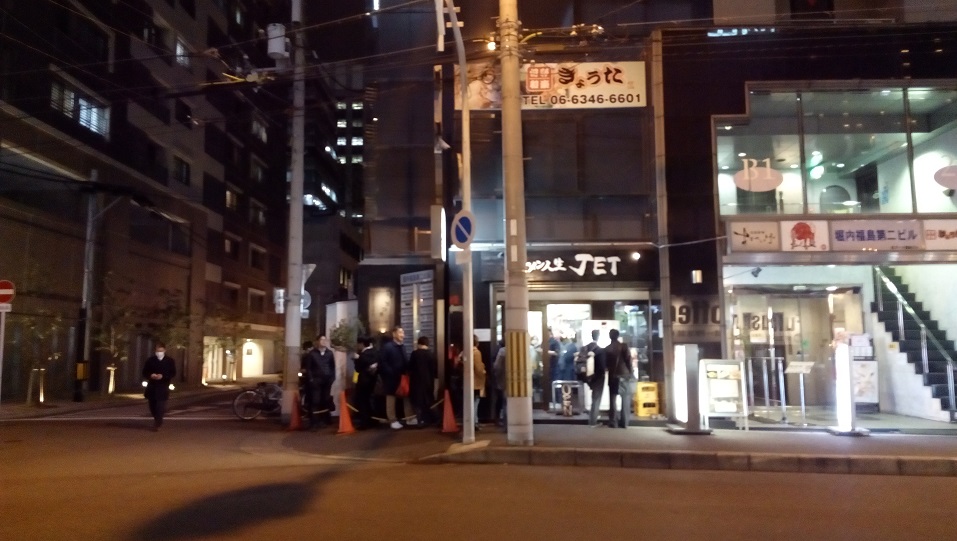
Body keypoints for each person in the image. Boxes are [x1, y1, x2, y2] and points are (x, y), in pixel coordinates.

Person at [380, 326, 415, 429]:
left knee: (406, 396)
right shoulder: (387, 347)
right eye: (400, 333)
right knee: (391, 398)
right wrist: (390, 372)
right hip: (391, 378)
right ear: (394, 334)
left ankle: (409, 418)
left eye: (403, 333)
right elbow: (383, 362)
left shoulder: (402, 346)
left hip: (403, 377)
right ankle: (392, 420)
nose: (402, 335)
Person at [604, 329, 635, 429]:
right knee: (625, 399)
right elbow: (628, 360)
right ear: (618, 336)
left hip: (612, 376)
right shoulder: (624, 346)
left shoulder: (607, 349)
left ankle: (613, 422)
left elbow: (606, 365)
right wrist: (631, 373)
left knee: (613, 399)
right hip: (624, 375)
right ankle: (624, 422)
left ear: (610, 336)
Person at [142, 342, 176, 431]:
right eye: (157, 351)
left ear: (164, 350)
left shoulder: (169, 361)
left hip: (163, 386)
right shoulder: (150, 360)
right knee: (152, 406)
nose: (159, 352)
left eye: (161, 351)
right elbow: (145, 372)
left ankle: (157, 422)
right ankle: (156, 419)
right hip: (152, 386)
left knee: (160, 406)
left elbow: (173, 373)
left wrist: (163, 376)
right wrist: (151, 375)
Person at [304, 335, 335, 429]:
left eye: (325, 339)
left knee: (326, 399)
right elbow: (308, 368)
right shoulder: (312, 354)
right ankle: (314, 422)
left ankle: (325, 420)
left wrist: (332, 378)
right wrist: (311, 379)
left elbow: (332, 367)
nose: (324, 341)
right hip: (316, 380)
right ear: (317, 341)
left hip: (327, 380)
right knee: (315, 400)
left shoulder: (330, 353)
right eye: (322, 339)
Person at [408, 335, 438, 426]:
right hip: (429, 382)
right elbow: (434, 370)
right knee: (428, 401)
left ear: (419, 344)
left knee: (417, 402)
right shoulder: (431, 354)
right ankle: (432, 419)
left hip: (416, 382)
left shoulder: (415, 354)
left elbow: (410, 367)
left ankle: (419, 420)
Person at [582, 330, 606, 427]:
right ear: (598, 336)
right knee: (596, 399)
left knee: (593, 398)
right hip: (598, 378)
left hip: (587, 378)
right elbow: (602, 366)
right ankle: (593, 421)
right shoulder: (600, 350)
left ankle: (593, 416)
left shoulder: (585, 348)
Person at [353, 336, 378, 429]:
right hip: (373, 381)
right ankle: (373, 420)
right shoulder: (375, 352)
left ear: (361, 344)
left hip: (363, 381)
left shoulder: (363, 355)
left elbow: (358, 369)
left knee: (363, 401)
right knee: (370, 401)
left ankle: (364, 422)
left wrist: (356, 359)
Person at [469, 335, 486, 430]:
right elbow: (479, 369)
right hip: (476, 381)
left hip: (468, 381)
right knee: (475, 402)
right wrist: (484, 372)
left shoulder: (465, 352)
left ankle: (472, 421)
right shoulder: (476, 353)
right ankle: (474, 422)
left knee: (471, 402)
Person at [492, 340, 507, 427]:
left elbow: (497, 366)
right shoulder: (517, 349)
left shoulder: (502, 351)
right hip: (513, 381)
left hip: (502, 379)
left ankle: (501, 420)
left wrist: (496, 376)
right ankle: (507, 422)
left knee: (501, 400)